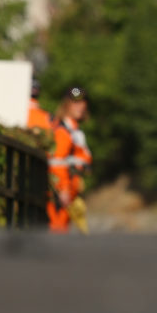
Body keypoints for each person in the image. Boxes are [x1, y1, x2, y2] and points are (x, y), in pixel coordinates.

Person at [47, 86, 93, 234]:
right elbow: (57, 163)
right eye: (75, 102)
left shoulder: (74, 130)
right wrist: (64, 189)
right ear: (66, 104)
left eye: (82, 102)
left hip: (70, 192)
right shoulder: (63, 131)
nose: (80, 106)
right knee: (57, 232)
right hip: (60, 193)